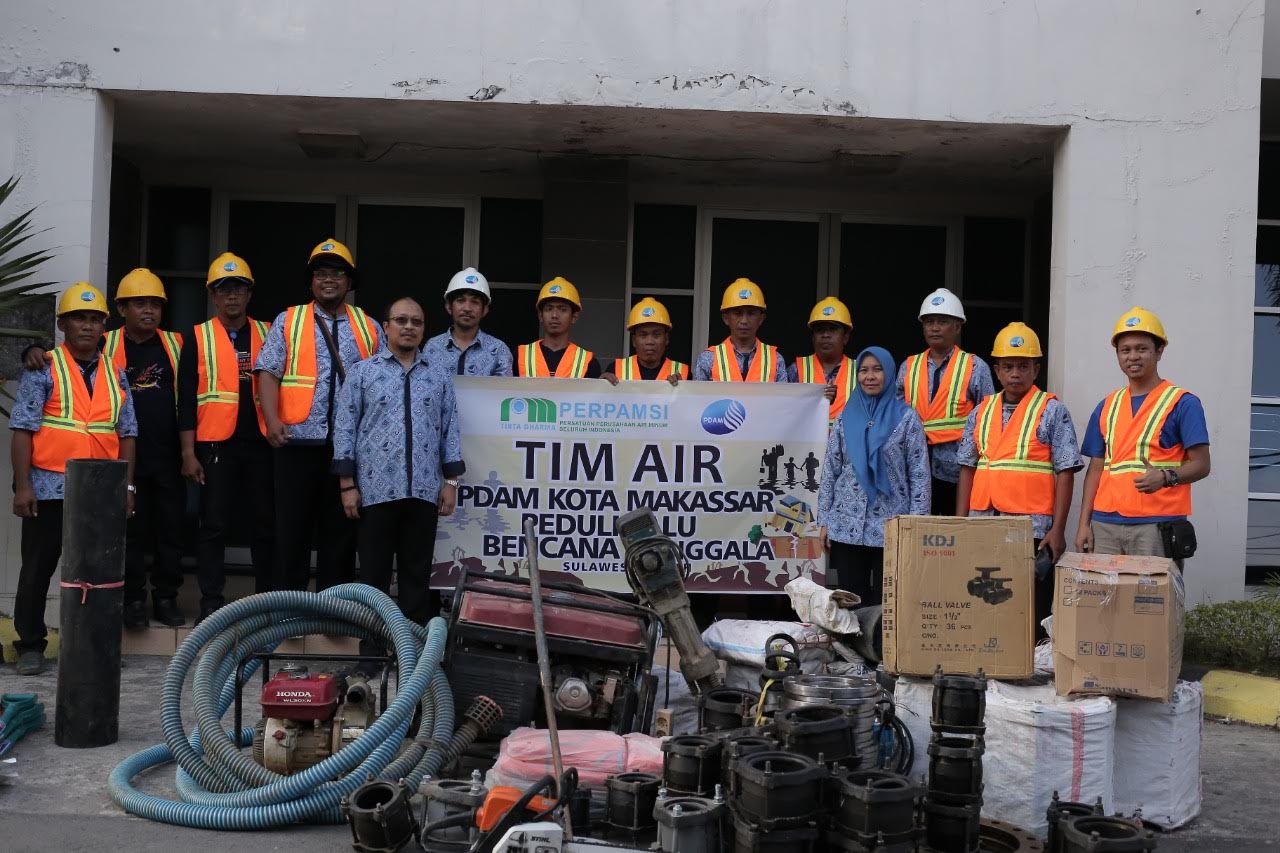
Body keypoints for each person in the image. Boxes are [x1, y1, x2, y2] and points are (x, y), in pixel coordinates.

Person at [25, 268, 185, 628]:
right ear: (122, 309)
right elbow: (57, 359)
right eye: (139, 304)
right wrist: (31, 348)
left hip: (161, 457)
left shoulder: (177, 344)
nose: (148, 311)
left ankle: (165, 598)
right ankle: (131, 603)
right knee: (126, 540)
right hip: (101, 469)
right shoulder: (104, 343)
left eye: (155, 304)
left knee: (169, 532)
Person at [9, 283, 137, 675]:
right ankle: (31, 645)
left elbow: (127, 433)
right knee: (38, 567)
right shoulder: (43, 366)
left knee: (98, 574)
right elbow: (22, 430)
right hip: (50, 487)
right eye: (79, 318)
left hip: (101, 491)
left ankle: (94, 644)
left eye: (95, 319)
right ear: (63, 324)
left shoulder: (116, 373)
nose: (87, 325)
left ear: (104, 326)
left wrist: (128, 487)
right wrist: (24, 485)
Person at [255, 238, 386, 592]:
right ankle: (290, 611)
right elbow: (267, 371)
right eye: (321, 273)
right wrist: (271, 420)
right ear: (311, 281)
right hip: (295, 444)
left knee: (340, 534)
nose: (329, 280)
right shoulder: (289, 320)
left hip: (348, 451)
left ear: (349, 282)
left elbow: (384, 382)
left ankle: (332, 611)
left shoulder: (370, 327)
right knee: (291, 533)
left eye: (337, 274)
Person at [333, 296, 463, 635]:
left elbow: (450, 429)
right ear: (386, 326)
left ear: (423, 329)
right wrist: (347, 484)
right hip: (375, 493)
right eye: (401, 320)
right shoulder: (364, 372)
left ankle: (410, 654)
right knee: (373, 578)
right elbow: (345, 427)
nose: (409, 327)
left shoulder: (438, 376)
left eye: (416, 322)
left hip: (422, 491)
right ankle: (372, 651)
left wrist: (452, 482)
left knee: (416, 577)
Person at [955, 323, 1081, 636]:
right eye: (1008, 367)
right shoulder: (981, 411)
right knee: (984, 596)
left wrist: (1058, 529)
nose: (1015, 374)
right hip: (983, 519)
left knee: (1028, 602)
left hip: (1031, 527)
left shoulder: (1052, 411)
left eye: (1023, 366)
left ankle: (1028, 665)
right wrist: (960, 523)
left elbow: (1066, 471)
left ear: (1036, 369)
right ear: (996, 371)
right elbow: (967, 468)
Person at [177, 252, 275, 623]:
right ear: (213, 297)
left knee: (264, 524)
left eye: (238, 289)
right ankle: (211, 600)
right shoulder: (198, 337)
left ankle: (265, 599)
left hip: (261, 445)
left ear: (249, 294)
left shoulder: (269, 333)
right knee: (213, 525)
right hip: (216, 445)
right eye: (223, 290)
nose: (231, 296)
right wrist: (188, 452)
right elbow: (185, 399)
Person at [1074, 308, 1211, 562]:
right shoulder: (1106, 406)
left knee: (1151, 601)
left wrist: (1166, 477)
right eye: (1125, 350)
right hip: (1105, 525)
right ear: (1117, 355)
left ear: (1159, 351)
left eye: (1142, 348)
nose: (1132, 356)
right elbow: (1095, 469)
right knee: (1104, 601)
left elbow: (1202, 465)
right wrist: (1084, 524)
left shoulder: (1183, 403)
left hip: (1157, 525)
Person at [818, 347, 930, 604]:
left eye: (877, 370)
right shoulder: (846, 417)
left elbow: (919, 474)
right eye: (864, 370)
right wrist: (823, 519)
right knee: (848, 600)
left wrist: (916, 525)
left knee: (888, 601)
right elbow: (831, 469)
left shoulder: (907, 419)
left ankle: (881, 646)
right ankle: (850, 645)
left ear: (889, 374)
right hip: (846, 525)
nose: (870, 376)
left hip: (891, 526)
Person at [896, 287, 994, 518]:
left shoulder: (975, 367)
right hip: (915, 466)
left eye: (942, 321)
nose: (935, 327)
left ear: (958, 326)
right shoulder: (908, 366)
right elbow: (895, 417)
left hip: (957, 470)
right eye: (929, 322)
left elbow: (988, 419)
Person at [693, 278, 789, 382]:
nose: (744, 320)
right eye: (737, 313)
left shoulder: (775, 359)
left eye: (751, 313)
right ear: (726, 318)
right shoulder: (708, 359)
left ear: (761, 318)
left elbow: (783, 397)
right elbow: (697, 397)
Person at [423, 267, 513, 377]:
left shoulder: (499, 350)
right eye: (460, 300)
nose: (467, 308)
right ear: (448, 306)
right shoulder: (433, 346)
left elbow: (502, 393)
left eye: (475, 302)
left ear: (484, 310)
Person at [514, 277, 600, 378]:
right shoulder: (519, 356)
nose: (554, 315)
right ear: (540, 316)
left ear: (574, 317)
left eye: (563, 309)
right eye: (549, 309)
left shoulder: (588, 362)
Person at [789, 297, 855, 424]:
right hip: (807, 443)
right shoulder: (796, 370)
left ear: (845, 337)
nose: (825, 335)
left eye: (833, 329)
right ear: (813, 337)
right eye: (820, 330)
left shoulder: (859, 372)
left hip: (846, 444)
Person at [601, 297, 688, 384]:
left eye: (656, 335)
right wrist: (599, 387)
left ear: (666, 338)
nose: (649, 341)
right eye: (643, 335)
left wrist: (683, 389)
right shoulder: (615, 369)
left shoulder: (683, 373)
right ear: (634, 340)